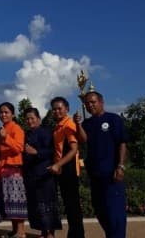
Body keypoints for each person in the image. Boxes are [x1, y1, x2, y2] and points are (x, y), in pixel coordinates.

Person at [76, 91, 128, 238]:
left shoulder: (113, 119)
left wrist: (120, 166)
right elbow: (83, 140)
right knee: (101, 211)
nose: (90, 105)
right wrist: (78, 125)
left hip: (112, 173)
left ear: (101, 102)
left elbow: (122, 143)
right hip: (95, 174)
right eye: (87, 104)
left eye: (93, 102)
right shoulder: (87, 123)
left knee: (115, 213)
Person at [50, 97, 85, 238]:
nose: (57, 111)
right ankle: (74, 233)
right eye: (54, 109)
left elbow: (74, 149)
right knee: (69, 205)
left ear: (67, 109)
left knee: (73, 205)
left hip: (69, 169)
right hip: (63, 170)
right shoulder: (59, 126)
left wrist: (58, 164)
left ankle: (77, 234)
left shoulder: (68, 125)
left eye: (60, 108)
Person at [23, 108, 61, 238]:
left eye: (32, 118)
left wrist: (36, 152)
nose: (29, 121)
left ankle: (50, 233)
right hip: (31, 175)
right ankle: (43, 232)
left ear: (38, 119)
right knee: (37, 205)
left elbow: (51, 150)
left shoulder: (46, 132)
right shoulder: (26, 134)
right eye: (27, 119)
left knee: (47, 203)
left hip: (44, 174)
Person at [0, 102, 27, 238]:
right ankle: (15, 230)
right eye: (1, 112)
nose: (3, 115)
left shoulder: (16, 128)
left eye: (6, 112)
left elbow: (19, 148)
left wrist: (5, 138)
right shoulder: (0, 129)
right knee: (9, 201)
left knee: (16, 201)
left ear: (12, 114)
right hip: (3, 169)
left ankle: (21, 232)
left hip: (14, 169)